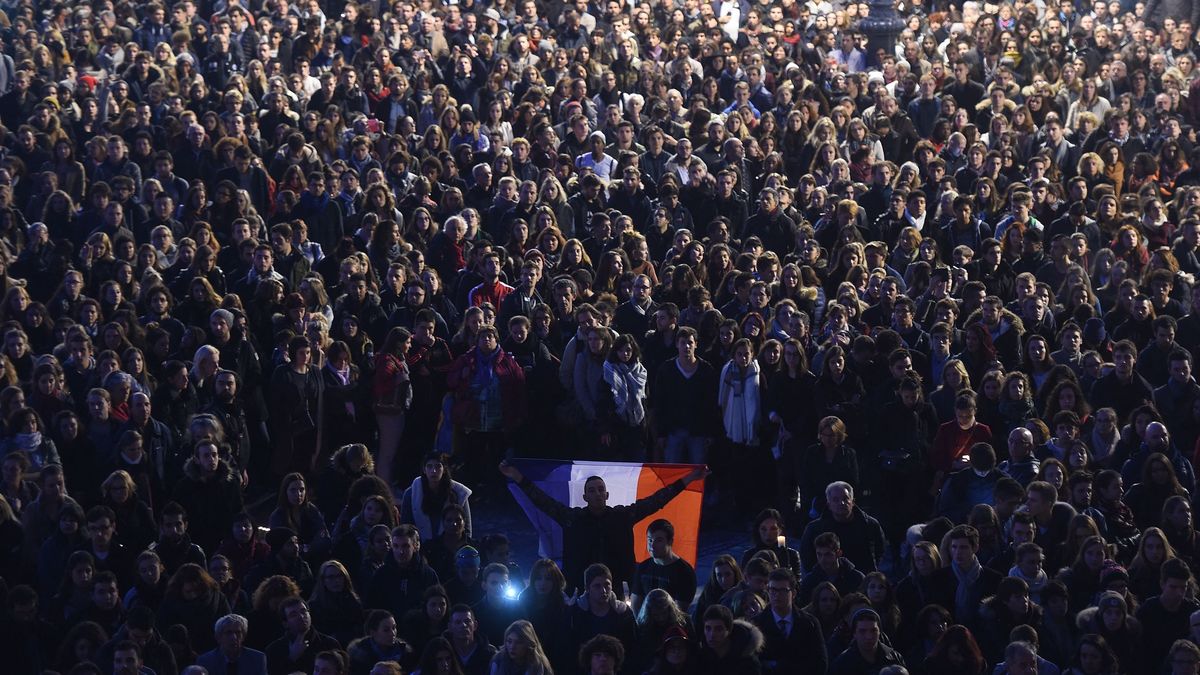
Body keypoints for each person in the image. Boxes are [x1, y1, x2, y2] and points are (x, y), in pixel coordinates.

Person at [499, 461, 707, 595]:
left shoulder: (623, 516)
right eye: (592, 491)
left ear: (607, 495)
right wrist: (518, 477)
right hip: (579, 590)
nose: (597, 494)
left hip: (615, 589)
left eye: (601, 490)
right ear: (584, 497)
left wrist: (688, 479)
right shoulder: (572, 518)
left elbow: (658, 499)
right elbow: (542, 501)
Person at [753, 568, 827, 675]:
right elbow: (752, 664)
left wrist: (779, 666)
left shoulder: (809, 623)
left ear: (793, 593)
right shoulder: (756, 624)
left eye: (783, 590)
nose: (777, 595)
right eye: (773, 590)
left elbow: (820, 663)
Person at [630, 519, 697, 613]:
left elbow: (679, 612)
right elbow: (635, 604)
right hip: (644, 623)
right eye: (650, 540)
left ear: (670, 542)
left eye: (658, 541)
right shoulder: (643, 567)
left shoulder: (684, 571)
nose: (652, 546)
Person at [828, 608, 906, 675]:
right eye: (862, 631)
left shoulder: (895, 658)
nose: (869, 636)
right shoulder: (842, 664)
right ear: (854, 633)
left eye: (873, 631)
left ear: (880, 632)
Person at [196, 613, 268, 675]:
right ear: (218, 637)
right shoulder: (206, 661)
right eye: (228, 633)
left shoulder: (257, 659)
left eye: (238, 633)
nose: (234, 637)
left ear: (243, 637)